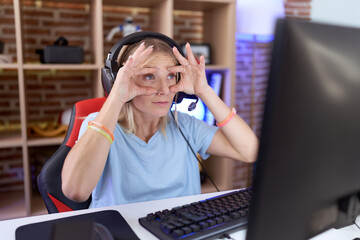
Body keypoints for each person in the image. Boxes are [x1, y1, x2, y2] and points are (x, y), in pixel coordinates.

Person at [61, 34, 258, 208]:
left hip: (180, 229)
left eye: (171, 75)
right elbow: (75, 191)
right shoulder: (98, 124)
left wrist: (204, 91)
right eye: (149, 76)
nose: (164, 89)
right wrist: (117, 96)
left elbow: (250, 151)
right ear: (118, 80)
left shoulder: (185, 125)